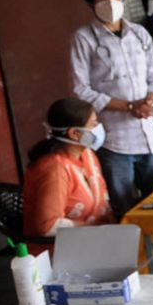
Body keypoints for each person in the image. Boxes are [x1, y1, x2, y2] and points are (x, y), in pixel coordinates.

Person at [70, 0, 153, 217]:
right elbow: (80, 89)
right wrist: (129, 106)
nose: (110, 1)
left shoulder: (139, 34)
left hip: (150, 138)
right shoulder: (83, 38)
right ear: (91, 2)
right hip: (115, 141)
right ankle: (131, 256)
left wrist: (150, 101)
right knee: (123, 208)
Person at [22, 97, 114, 247]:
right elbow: (48, 227)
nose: (99, 128)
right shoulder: (54, 170)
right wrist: (96, 230)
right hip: (62, 252)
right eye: (93, 124)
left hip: (95, 240)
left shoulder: (87, 155)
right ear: (74, 133)